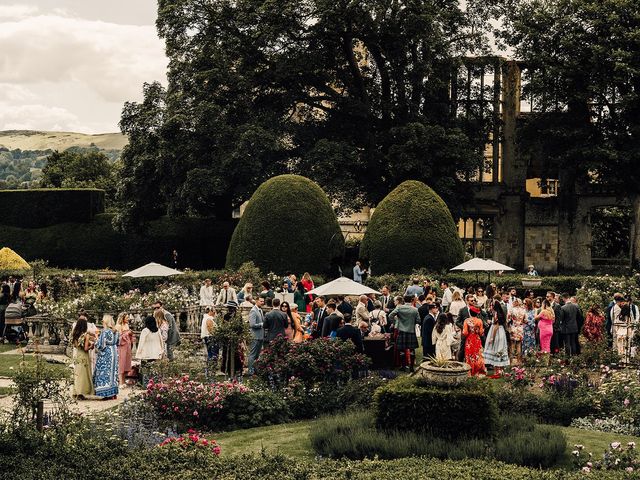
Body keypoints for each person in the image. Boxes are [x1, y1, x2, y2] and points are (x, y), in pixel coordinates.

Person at [388, 295, 420, 372]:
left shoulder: (399, 308)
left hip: (401, 330)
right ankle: (411, 367)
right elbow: (419, 321)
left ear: (404, 300)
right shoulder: (415, 309)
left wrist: (396, 321)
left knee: (402, 350)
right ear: (411, 300)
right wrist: (412, 322)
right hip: (411, 331)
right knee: (412, 350)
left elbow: (390, 316)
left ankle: (403, 367)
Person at [93, 315, 119, 400]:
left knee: (105, 371)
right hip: (114, 351)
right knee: (113, 372)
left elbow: (100, 345)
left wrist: (96, 337)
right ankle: (113, 393)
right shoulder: (115, 331)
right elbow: (117, 342)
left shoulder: (105, 331)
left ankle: (106, 393)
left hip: (106, 352)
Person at [71, 315, 94, 399]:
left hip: (78, 355)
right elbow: (85, 348)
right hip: (84, 356)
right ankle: (81, 392)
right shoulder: (85, 335)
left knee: (78, 374)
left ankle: (76, 391)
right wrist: (92, 346)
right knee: (84, 375)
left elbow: (75, 345)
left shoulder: (75, 334)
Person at [484, 302, 509, 377]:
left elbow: (495, 327)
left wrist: (492, 337)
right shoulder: (500, 313)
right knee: (500, 349)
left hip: (497, 333)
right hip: (502, 332)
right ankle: (501, 370)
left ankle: (496, 371)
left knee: (495, 349)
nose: (490, 307)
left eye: (492, 305)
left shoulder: (496, 314)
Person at [462, 306, 485, 376]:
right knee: (478, 355)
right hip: (477, 339)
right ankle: (477, 372)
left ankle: (470, 372)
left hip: (469, 339)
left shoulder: (466, 321)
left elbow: (465, 332)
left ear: (470, 313)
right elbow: (481, 333)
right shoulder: (479, 321)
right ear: (477, 313)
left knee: (469, 355)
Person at [115, 313, 134, 388]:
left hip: (128, 346)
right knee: (121, 363)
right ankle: (120, 382)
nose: (128, 319)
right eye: (126, 317)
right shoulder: (118, 326)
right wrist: (127, 334)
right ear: (122, 318)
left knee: (126, 363)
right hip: (122, 346)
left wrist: (130, 334)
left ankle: (123, 381)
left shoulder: (127, 325)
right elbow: (118, 338)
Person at [247, 297, 265, 375]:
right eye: (261, 301)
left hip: (260, 336)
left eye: (263, 301)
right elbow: (252, 324)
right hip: (255, 336)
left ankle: (255, 371)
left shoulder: (260, 310)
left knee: (257, 355)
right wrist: (262, 324)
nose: (262, 302)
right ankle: (250, 371)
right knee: (252, 354)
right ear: (257, 301)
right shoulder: (253, 311)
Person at [200, 306, 219, 376]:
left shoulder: (206, 318)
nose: (215, 312)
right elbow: (210, 329)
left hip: (208, 338)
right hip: (211, 338)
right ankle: (211, 370)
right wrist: (216, 335)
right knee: (213, 355)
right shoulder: (208, 319)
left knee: (210, 354)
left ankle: (209, 371)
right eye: (214, 311)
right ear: (210, 311)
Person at [508, 298, 526, 364]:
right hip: (520, 329)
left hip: (513, 327)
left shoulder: (512, 309)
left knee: (512, 345)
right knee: (519, 345)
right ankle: (519, 362)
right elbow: (526, 320)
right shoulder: (523, 310)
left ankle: (511, 362)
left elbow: (508, 319)